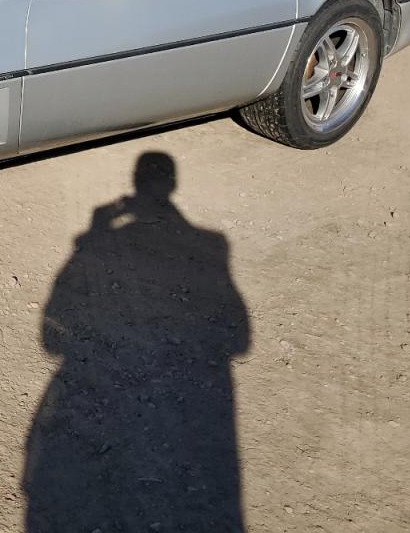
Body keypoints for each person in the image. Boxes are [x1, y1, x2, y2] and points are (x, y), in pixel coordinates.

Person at [23, 151, 250, 532]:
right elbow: (239, 338)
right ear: (173, 185)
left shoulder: (105, 243)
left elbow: (52, 338)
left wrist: (93, 237)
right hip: (192, 425)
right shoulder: (211, 245)